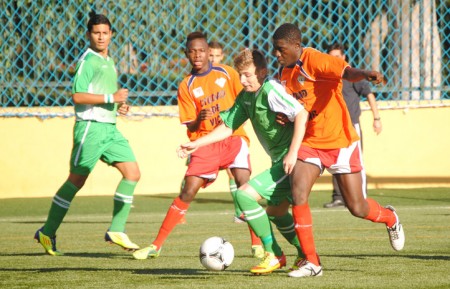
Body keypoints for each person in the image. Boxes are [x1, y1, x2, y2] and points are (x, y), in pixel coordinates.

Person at [272, 23, 405, 278]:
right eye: (275, 50)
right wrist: (284, 117)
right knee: (298, 193)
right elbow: (295, 109)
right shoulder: (282, 76)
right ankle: (312, 262)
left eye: (281, 49)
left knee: (357, 207)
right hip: (310, 143)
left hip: (340, 140)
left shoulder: (315, 60)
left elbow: (347, 72)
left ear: (296, 46)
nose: (277, 54)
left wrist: (366, 73)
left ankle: (389, 217)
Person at [177, 48, 309, 274]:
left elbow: (301, 114)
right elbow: (228, 126)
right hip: (282, 161)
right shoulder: (247, 96)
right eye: (240, 75)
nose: (242, 80)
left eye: (247, 74)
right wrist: (197, 143)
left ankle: (274, 253)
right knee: (276, 212)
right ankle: (305, 255)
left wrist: (293, 152)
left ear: (262, 72)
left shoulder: (270, 89)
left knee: (244, 195)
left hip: (294, 162)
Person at [133, 31, 261, 260]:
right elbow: (191, 127)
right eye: (192, 51)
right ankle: (156, 245)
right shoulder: (187, 86)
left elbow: (247, 95)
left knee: (245, 186)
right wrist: (200, 118)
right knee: (188, 190)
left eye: (202, 50)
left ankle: (257, 244)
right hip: (205, 143)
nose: (197, 55)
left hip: (233, 138)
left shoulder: (227, 73)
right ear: (186, 54)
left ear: (209, 53)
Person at [34, 13, 141, 256]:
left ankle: (116, 229)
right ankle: (47, 231)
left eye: (105, 32)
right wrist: (111, 98)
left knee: (133, 173)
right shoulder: (87, 61)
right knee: (76, 180)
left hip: (110, 129)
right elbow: (77, 96)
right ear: (89, 35)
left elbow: (105, 94)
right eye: (96, 33)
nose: (101, 37)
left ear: (111, 34)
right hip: (91, 128)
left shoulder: (109, 62)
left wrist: (118, 106)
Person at [324, 43, 383, 208]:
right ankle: (338, 197)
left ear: (343, 58)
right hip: (332, 128)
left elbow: (369, 94)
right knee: (334, 161)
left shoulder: (351, 76)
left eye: (337, 57)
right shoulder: (326, 77)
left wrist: (376, 118)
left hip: (351, 126)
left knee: (356, 162)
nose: (333, 60)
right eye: (330, 57)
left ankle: (362, 198)